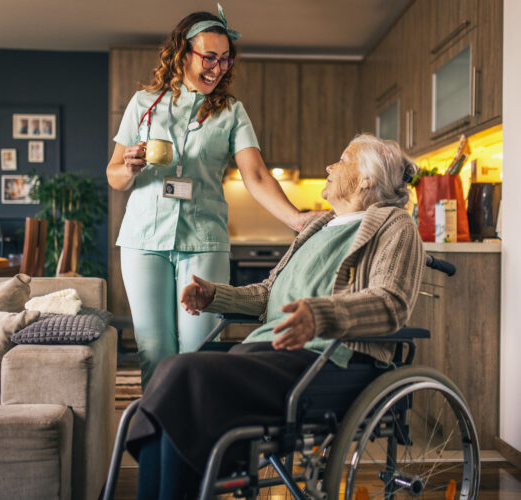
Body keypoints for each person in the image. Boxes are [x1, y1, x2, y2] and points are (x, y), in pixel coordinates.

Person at [123, 134, 425, 499]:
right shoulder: (317, 226)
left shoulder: (394, 225)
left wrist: (320, 315)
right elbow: (268, 294)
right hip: (271, 352)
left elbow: (390, 303)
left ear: (367, 179)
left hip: (327, 359)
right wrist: (214, 296)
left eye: (342, 159)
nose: (330, 166)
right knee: (176, 377)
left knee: (180, 374)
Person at [106, 5, 315, 387]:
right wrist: (130, 167)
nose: (217, 67)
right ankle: (160, 442)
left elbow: (255, 175)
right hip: (143, 241)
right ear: (183, 54)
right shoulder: (143, 104)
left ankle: (197, 442)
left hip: (204, 242)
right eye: (208, 57)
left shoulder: (231, 112)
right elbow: (114, 174)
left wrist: (298, 220)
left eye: (224, 59)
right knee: (154, 351)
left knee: (198, 351)